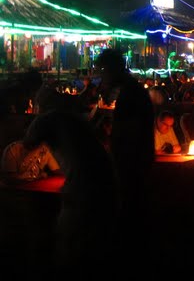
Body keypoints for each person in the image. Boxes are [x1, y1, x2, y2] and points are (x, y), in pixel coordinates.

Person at [22, 110, 119, 272]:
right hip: (108, 183)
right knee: (93, 239)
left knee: (71, 235)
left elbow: (28, 143)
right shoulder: (73, 124)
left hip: (84, 187)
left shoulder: (44, 121)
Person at [94, 48, 155, 264]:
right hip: (136, 158)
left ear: (112, 69)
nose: (100, 77)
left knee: (131, 208)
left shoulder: (130, 95)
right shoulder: (132, 90)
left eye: (102, 71)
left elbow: (130, 132)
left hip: (131, 161)